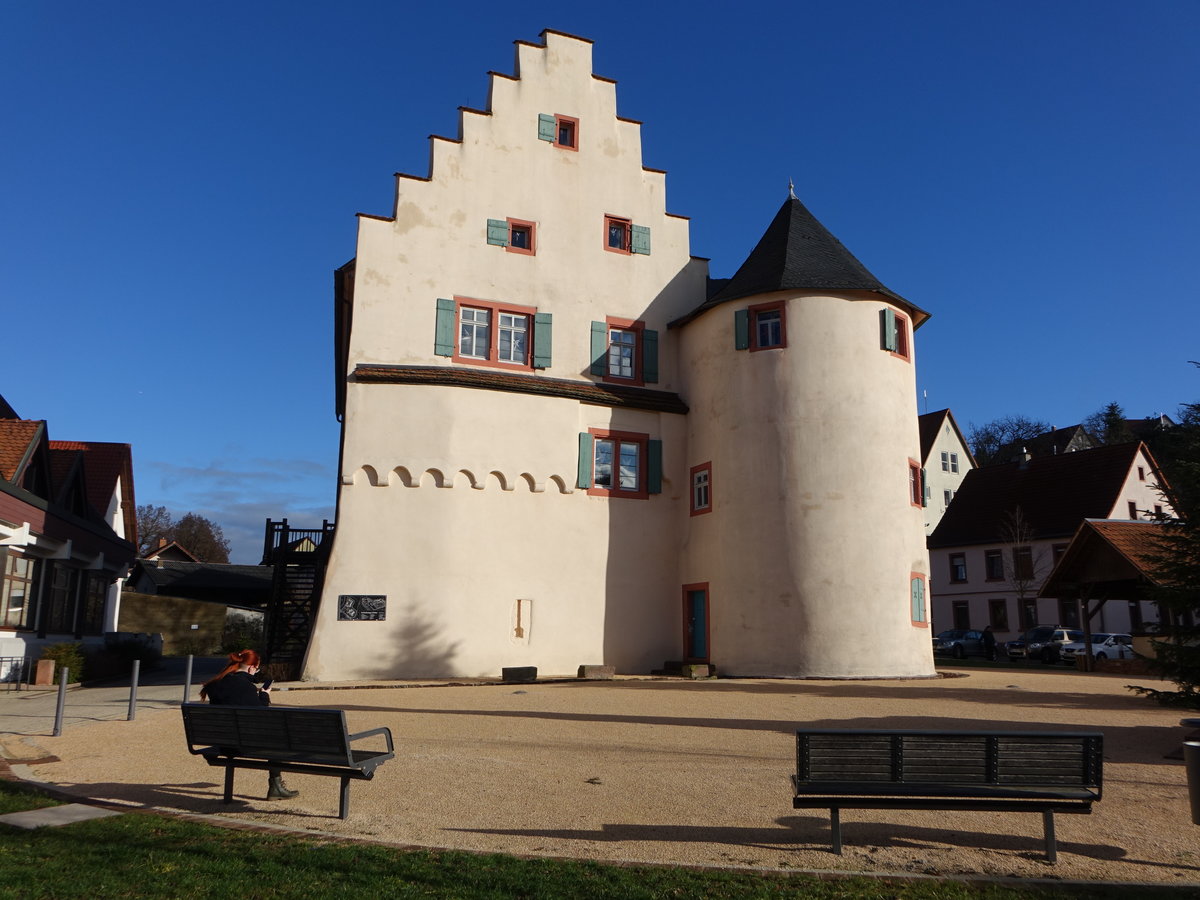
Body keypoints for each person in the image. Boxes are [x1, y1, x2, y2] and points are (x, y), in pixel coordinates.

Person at [200, 649, 298, 800]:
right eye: (256, 669)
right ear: (252, 667)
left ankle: (276, 787)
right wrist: (264, 695)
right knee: (278, 736)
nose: (256, 672)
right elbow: (260, 713)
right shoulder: (246, 687)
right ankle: (276, 787)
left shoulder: (216, 684)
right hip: (244, 744)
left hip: (223, 742)